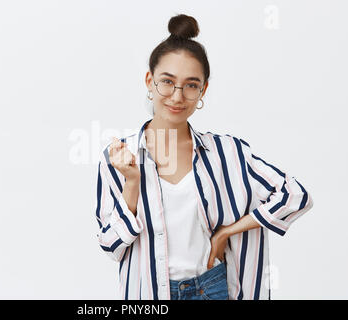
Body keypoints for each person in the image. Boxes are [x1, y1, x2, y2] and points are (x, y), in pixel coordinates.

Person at [94, 14, 314, 300]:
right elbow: (111, 245)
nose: (177, 96)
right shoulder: (119, 158)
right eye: (167, 81)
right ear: (150, 82)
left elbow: (296, 195)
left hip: (213, 288)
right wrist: (132, 183)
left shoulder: (228, 153)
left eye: (191, 85)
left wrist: (227, 233)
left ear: (203, 90)